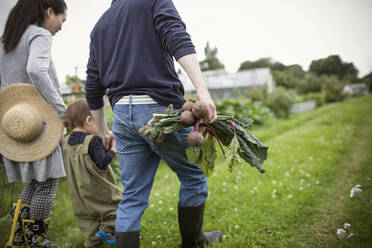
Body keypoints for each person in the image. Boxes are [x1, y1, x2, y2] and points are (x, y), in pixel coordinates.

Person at [85, 0, 224, 247]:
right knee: (192, 177)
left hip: (121, 115)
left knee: (132, 195)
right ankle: (193, 241)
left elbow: (93, 86)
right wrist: (202, 90)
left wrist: (103, 130)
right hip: (158, 109)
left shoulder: (100, 25)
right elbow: (177, 37)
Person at [0, 0, 67, 247]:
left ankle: (20, 240)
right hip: (39, 123)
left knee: (34, 182)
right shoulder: (38, 34)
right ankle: (37, 241)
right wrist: (62, 111)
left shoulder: (7, 40)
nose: (61, 26)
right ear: (49, 11)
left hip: (15, 124)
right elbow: (37, 70)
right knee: (47, 184)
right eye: (62, 19)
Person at [62, 99, 122, 248]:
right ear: (89, 120)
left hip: (78, 192)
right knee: (115, 205)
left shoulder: (66, 141)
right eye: (98, 121)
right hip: (97, 188)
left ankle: (92, 242)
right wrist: (113, 150)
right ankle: (108, 230)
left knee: (86, 218)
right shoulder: (92, 140)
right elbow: (102, 162)